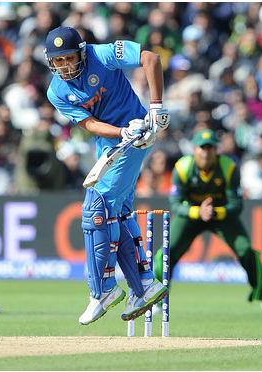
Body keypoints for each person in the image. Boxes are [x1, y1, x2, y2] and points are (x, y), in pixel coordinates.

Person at [44, 26, 169, 325]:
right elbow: (88, 124)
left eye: (69, 58)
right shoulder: (56, 91)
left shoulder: (103, 53)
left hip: (138, 135)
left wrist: (155, 108)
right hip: (112, 141)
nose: (65, 66)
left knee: (95, 208)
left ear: (82, 52)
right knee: (119, 213)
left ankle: (102, 291)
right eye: (58, 61)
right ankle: (143, 286)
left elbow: (151, 59)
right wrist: (119, 132)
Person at [153, 129, 262, 318]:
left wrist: (214, 212)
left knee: (246, 251)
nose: (206, 152)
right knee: (165, 253)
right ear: (194, 149)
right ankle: (158, 298)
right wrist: (198, 211)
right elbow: (175, 205)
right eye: (202, 148)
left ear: (216, 150)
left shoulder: (229, 168)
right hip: (191, 216)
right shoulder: (183, 167)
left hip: (222, 216)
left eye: (210, 148)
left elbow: (236, 205)